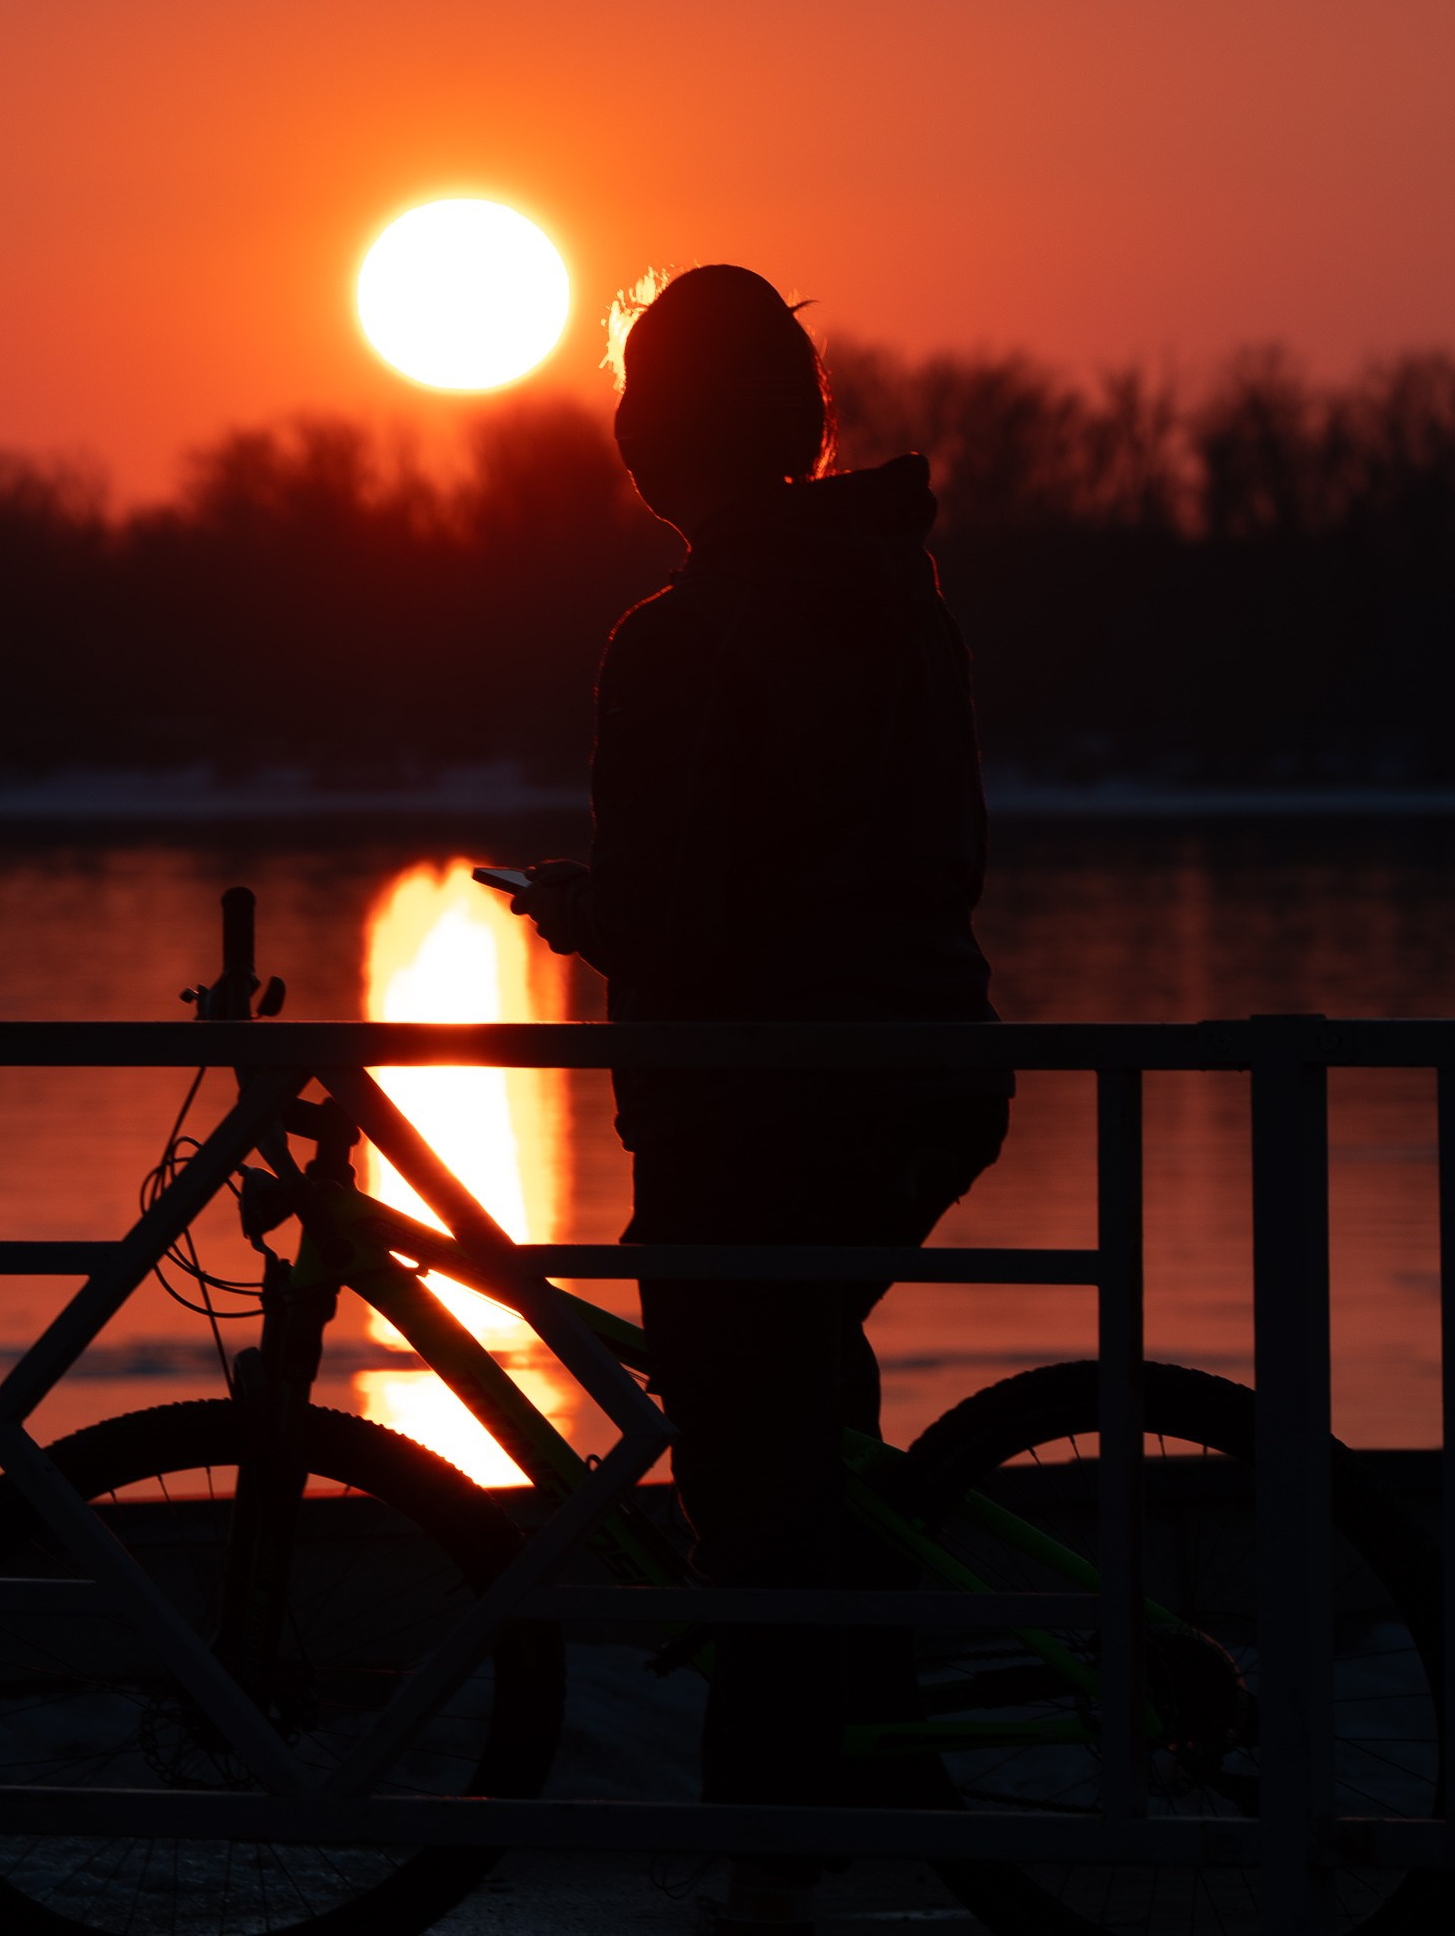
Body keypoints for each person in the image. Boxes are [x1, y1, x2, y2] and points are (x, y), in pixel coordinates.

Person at [511, 263, 1008, 1934]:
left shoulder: (680, 637)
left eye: (642, 408)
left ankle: (779, 1842)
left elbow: (686, 906)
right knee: (798, 1420)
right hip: (924, 1069)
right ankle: (858, 1763)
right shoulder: (899, 595)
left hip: (764, 1104)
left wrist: (586, 911)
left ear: (665, 438)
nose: (630, 436)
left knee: (746, 1468)